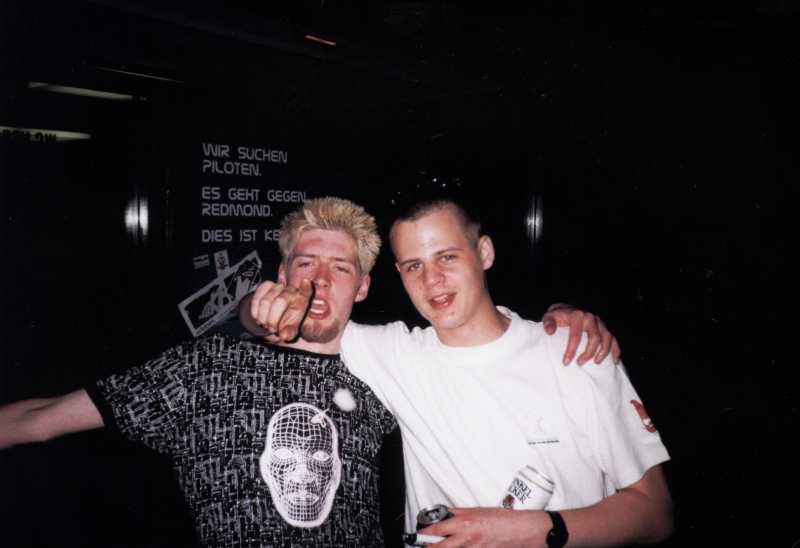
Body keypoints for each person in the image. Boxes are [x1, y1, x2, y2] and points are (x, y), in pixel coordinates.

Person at [0, 197, 615, 547]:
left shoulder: (387, 369)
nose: (319, 282)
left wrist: (562, 316)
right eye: (305, 264)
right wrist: (245, 317)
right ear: (281, 272)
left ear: (364, 287)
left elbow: (482, 346)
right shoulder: (206, 365)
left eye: (340, 269)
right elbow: (43, 418)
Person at [248, 198, 673, 547]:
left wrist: (527, 531)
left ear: (484, 253)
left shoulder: (575, 351)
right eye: (414, 266)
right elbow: (293, 318)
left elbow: (654, 513)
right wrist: (253, 309)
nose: (432, 280)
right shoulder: (394, 353)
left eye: (447, 257)